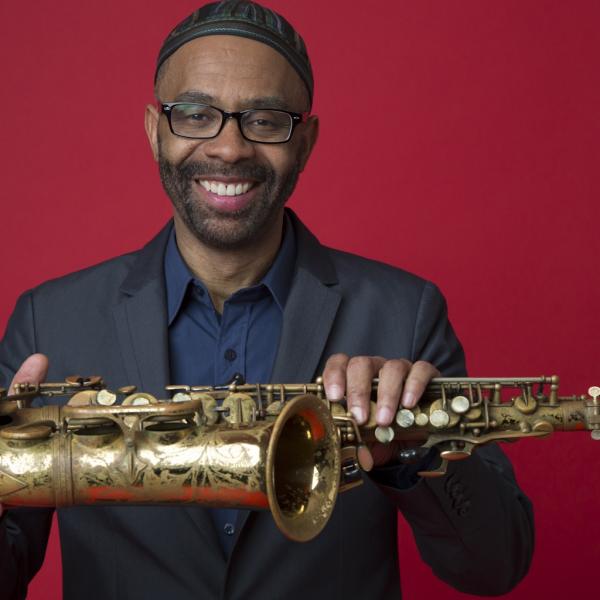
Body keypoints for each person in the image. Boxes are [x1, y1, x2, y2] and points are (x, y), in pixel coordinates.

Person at [0, 2, 533, 599]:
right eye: (196, 114)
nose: (229, 149)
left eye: (265, 119)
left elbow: (495, 565)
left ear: (304, 141)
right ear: (155, 131)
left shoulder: (405, 313)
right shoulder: (47, 320)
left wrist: (415, 451)